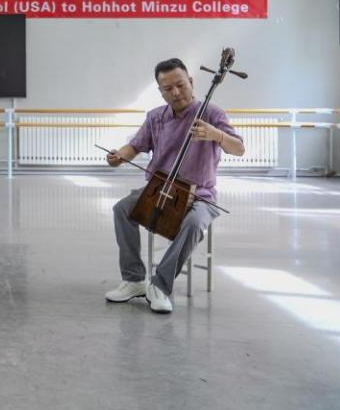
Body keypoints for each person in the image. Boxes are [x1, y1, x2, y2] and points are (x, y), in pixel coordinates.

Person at [104, 58, 244, 313]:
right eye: (168, 89)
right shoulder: (155, 117)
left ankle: (160, 286)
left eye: (181, 85)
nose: (176, 93)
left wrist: (216, 135)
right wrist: (119, 156)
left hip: (200, 194)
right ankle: (134, 280)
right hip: (159, 189)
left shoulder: (212, 114)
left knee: (193, 223)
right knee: (121, 209)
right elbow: (135, 146)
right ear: (160, 91)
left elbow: (239, 148)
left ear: (191, 81)